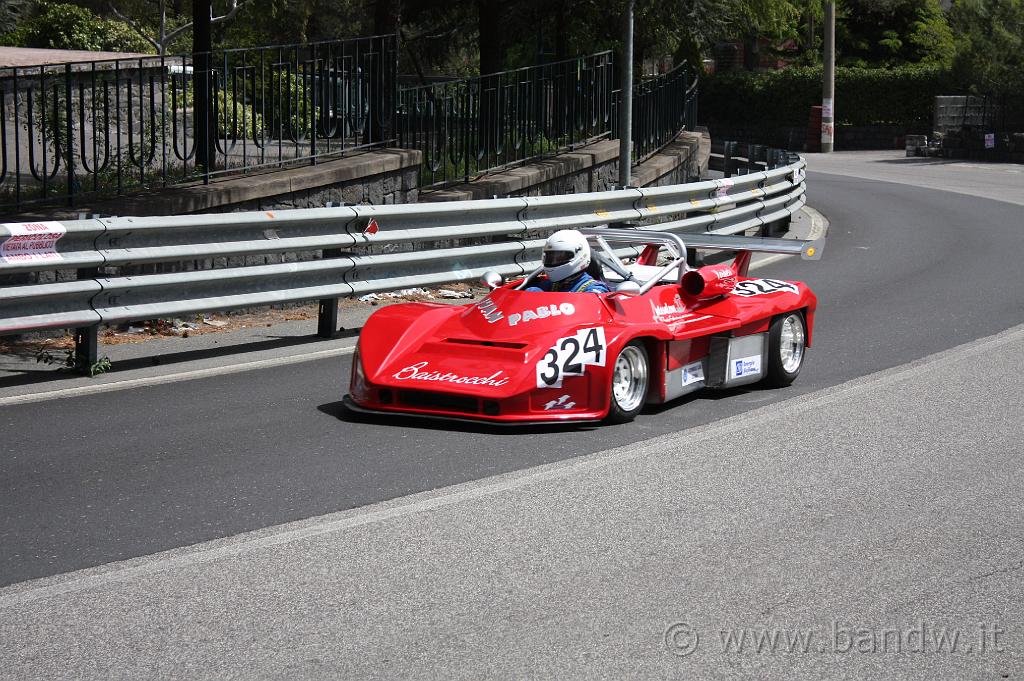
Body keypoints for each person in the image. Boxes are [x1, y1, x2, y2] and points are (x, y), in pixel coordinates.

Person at [526, 229, 609, 293]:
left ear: (579, 256)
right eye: (551, 258)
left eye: (559, 258)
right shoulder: (554, 284)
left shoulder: (595, 288)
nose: (553, 261)